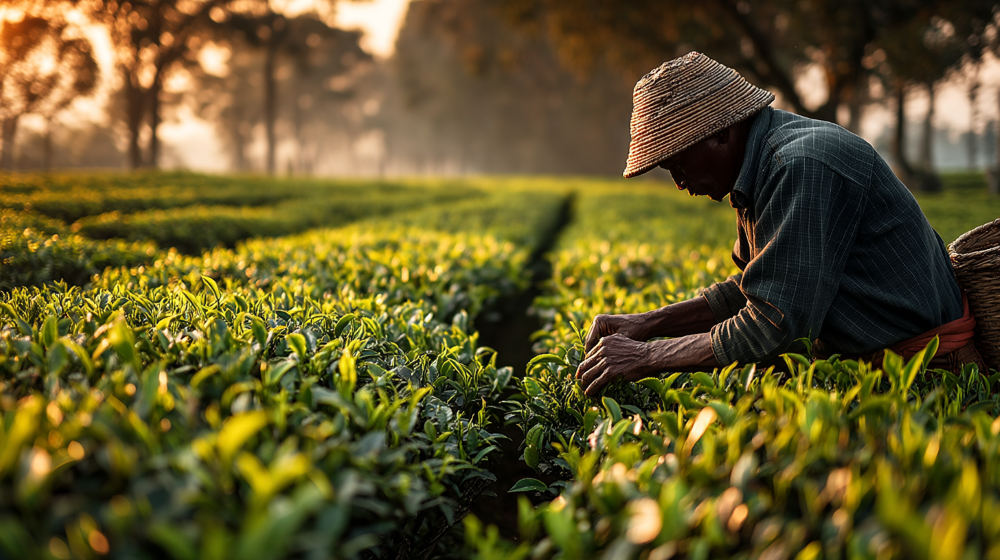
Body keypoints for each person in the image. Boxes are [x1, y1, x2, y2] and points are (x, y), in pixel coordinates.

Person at [576, 52, 984, 397]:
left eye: (679, 164)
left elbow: (774, 325)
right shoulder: (761, 165)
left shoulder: (798, 166)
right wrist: (647, 324)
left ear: (721, 134)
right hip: (891, 368)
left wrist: (649, 357)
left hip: (928, 377)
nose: (679, 182)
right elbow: (765, 288)